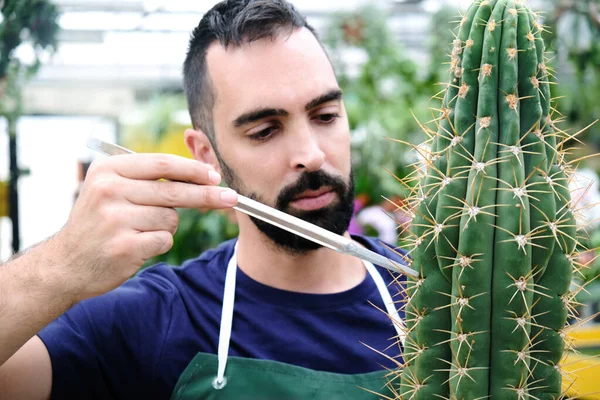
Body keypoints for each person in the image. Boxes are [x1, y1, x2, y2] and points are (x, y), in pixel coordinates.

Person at [0, 0, 408, 398]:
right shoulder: (159, 319)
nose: (312, 154)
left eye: (325, 116)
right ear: (206, 154)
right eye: (265, 130)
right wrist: (63, 262)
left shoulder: (437, 297)